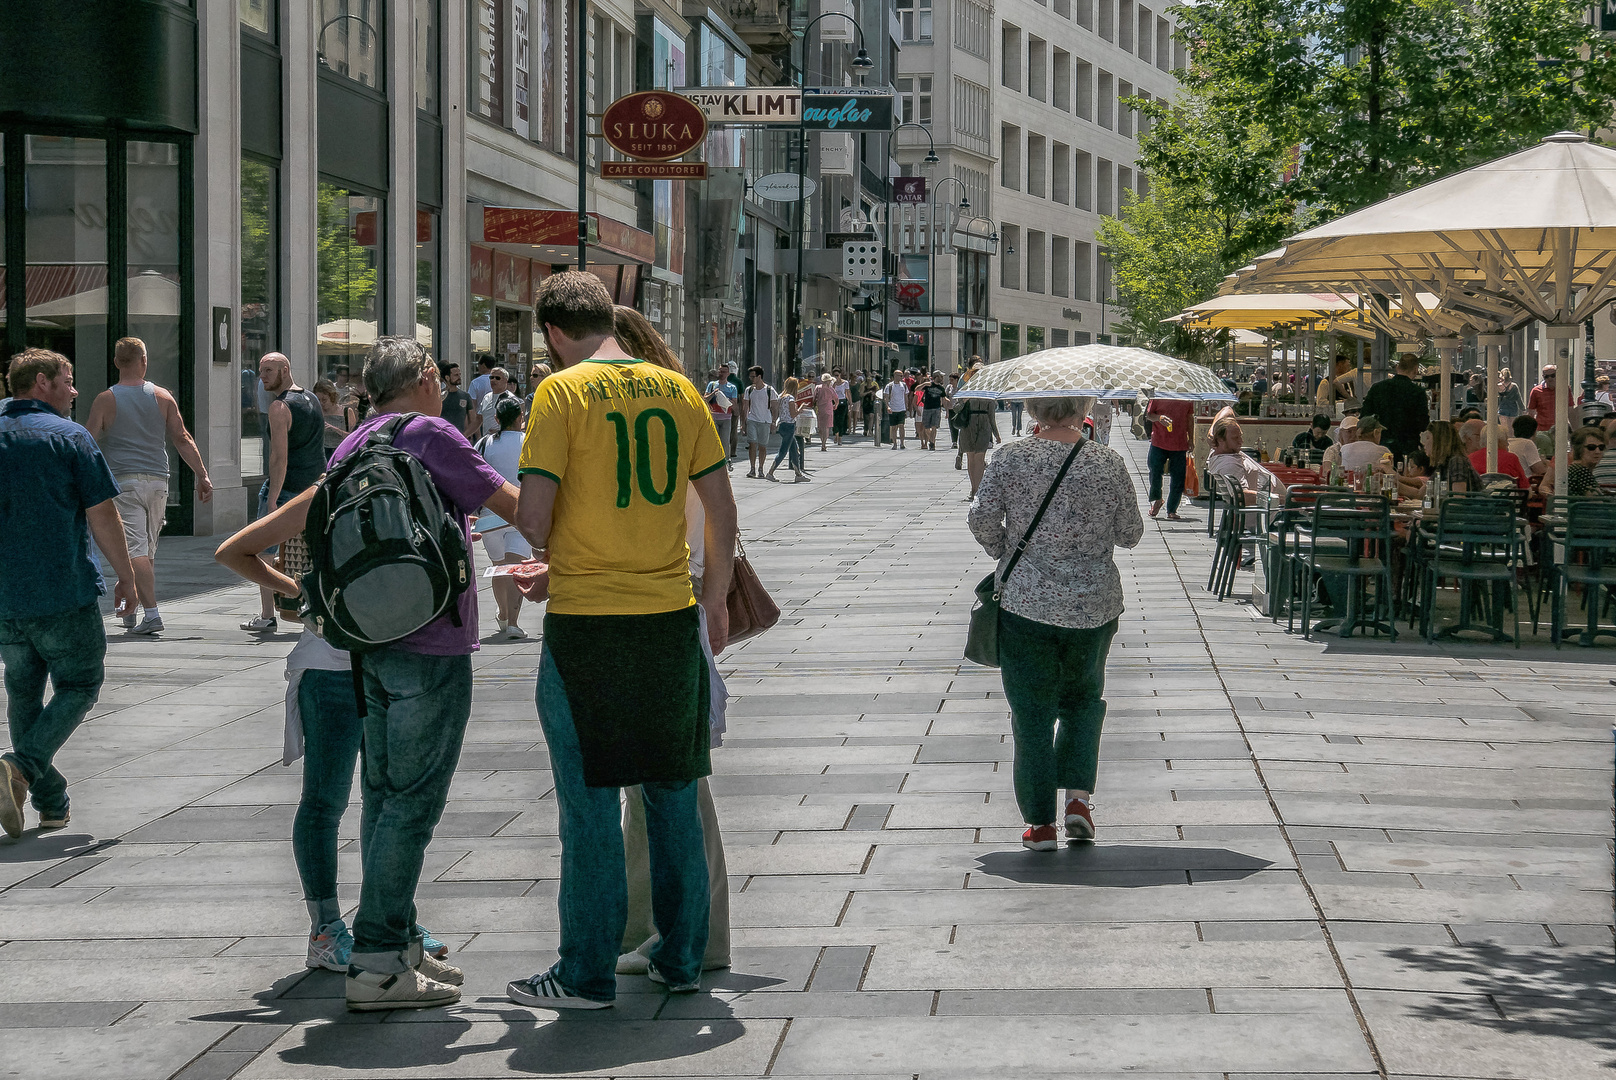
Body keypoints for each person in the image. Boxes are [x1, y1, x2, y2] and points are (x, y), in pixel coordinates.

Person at [507, 272, 737, 1009]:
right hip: (670, 615)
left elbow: (535, 519)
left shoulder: (560, 394)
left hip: (587, 624)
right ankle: (680, 957)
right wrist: (719, 599)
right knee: (670, 795)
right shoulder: (679, 390)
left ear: (553, 333)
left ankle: (585, 974)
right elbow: (723, 511)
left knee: (589, 805)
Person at [329, 336, 520, 1010]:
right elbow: (517, 508)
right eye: (439, 375)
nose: (446, 386)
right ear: (420, 378)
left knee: (384, 795)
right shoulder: (431, 434)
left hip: (372, 639)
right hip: (433, 641)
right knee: (412, 804)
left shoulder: (351, 444)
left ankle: (400, 945)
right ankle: (378, 961)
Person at [213, 491, 455, 982]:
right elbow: (233, 551)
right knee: (325, 801)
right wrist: (304, 596)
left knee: (386, 800)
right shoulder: (328, 490)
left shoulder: (410, 481)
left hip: (390, 665)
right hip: (328, 672)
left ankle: (388, 920)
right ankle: (325, 931)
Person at [608, 304, 735, 977]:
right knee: (660, 779)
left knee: (669, 780)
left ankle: (683, 933)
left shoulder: (639, 412)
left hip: (652, 600)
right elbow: (719, 508)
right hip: (675, 594)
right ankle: (655, 928)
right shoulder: (684, 404)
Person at [967, 394, 1142, 851]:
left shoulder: (1010, 457)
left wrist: (1008, 550)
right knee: (1084, 701)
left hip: (1026, 603)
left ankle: (1041, 824)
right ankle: (1078, 801)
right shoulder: (1108, 462)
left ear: (1031, 410)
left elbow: (981, 518)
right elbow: (1131, 534)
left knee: (1031, 713)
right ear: (1082, 406)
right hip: (1093, 605)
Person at [0, 349, 137, 838]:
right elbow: (103, 514)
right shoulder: (69, 437)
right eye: (69, 380)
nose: (75, 390)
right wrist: (128, 576)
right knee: (80, 684)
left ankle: (50, 802)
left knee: (23, 695)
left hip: (5, 598)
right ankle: (20, 767)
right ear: (43, 382)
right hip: (62, 589)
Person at [83, 336, 213, 635]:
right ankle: (131, 613)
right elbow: (182, 438)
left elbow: (87, 441)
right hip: (158, 481)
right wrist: (202, 475)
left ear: (116, 362)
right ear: (144, 360)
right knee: (145, 551)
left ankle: (151, 613)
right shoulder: (163, 396)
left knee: (135, 550)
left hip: (124, 482)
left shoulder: (106, 398)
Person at [243, 353, 328, 633]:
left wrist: (272, 500)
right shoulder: (312, 399)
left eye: (269, 370)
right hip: (314, 487)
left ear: (285, 370)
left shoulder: (280, 408)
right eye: (261, 370)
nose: (263, 376)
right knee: (312, 551)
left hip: (287, 488)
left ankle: (268, 615)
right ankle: (317, 605)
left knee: (260, 552)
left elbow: (279, 458)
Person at [476, 395, 534, 639]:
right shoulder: (528, 441)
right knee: (517, 568)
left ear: (497, 418)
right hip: (519, 515)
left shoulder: (485, 442)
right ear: (521, 417)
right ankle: (513, 621)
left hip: (490, 518)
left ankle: (502, 614)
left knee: (499, 568)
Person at [1360, 353, 1430, 460]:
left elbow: (1365, 416)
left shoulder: (1377, 388)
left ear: (1397, 367)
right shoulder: (1417, 392)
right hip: (1407, 445)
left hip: (1380, 442)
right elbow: (1422, 421)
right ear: (1416, 370)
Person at [1143, 392, 1194, 520]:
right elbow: (1149, 415)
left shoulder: (1186, 397)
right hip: (1158, 441)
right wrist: (1159, 418)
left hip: (1180, 442)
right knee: (1154, 471)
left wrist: (1191, 439)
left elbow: (1189, 418)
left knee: (1178, 477)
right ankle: (1157, 499)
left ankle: (1172, 509)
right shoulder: (1159, 395)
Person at [957, 364, 1002, 498]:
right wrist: (964, 401)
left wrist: (996, 434)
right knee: (971, 458)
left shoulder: (988, 391)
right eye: (975, 372)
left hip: (983, 427)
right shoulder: (965, 389)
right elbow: (956, 408)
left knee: (980, 458)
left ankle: (979, 488)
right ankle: (974, 488)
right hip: (968, 427)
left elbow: (991, 415)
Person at [1460, 418, 1528, 489]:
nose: (1508, 444)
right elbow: (1525, 489)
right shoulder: (1511, 458)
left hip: (1477, 498)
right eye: (1506, 440)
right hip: (1506, 499)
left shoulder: (1469, 458)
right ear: (1499, 441)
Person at [766, 377, 809, 482]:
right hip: (789, 425)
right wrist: (801, 408)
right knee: (783, 450)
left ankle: (798, 474)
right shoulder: (790, 398)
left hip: (782, 424)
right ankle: (770, 472)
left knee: (794, 450)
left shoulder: (780, 396)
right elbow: (793, 414)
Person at [741, 366, 779, 478]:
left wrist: (773, 422)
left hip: (765, 421)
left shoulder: (769, 390)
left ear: (759, 376)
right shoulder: (749, 390)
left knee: (762, 446)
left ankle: (761, 468)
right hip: (752, 419)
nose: (751, 379)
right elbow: (745, 407)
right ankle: (752, 468)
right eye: (750, 377)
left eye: (753, 376)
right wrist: (744, 423)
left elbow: (775, 407)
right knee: (752, 443)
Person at [1561, 426, 1608, 496]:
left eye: (1601, 447)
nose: (1597, 451)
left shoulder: (1574, 468)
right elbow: (1595, 500)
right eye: (1591, 447)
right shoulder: (1581, 471)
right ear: (1579, 449)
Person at [702, 368, 735, 463]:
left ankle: (725, 461)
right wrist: (713, 393)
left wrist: (725, 399)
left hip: (726, 418)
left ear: (728, 373)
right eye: (720, 371)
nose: (721, 374)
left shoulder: (732, 387)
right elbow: (705, 399)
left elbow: (735, 404)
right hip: (713, 416)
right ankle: (712, 461)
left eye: (724, 372)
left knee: (725, 441)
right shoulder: (712, 385)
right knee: (713, 441)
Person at [313, 379, 350, 461]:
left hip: (340, 453)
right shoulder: (316, 412)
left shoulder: (346, 412)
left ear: (332, 397)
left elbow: (352, 437)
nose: (321, 403)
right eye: (318, 400)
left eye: (324, 400)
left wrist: (334, 429)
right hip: (321, 455)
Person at [439, 362, 477, 437]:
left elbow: (473, 420)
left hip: (460, 438)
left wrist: (467, 435)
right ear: (447, 377)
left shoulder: (465, 396)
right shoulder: (439, 396)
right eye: (456, 375)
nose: (459, 377)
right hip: (442, 437)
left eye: (459, 374)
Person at [917, 372, 950, 451]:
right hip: (927, 408)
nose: (942, 378)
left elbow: (943, 399)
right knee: (926, 427)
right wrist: (924, 384)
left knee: (934, 426)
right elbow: (917, 389)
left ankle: (932, 443)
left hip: (936, 409)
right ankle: (930, 439)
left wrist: (947, 411)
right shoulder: (928, 385)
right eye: (941, 376)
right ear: (936, 377)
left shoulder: (941, 388)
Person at [477, 367, 514, 435]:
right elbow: (479, 419)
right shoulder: (486, 397)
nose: (493, 380)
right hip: (488, 440)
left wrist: (500, 432)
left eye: (497, 378)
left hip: (503, 439)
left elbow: (516, 422)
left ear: (505, 380)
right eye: (491, 377)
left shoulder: (511, 399)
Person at [884, 371, 910, 449]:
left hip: (901, 408)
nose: (901, 377)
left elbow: (906, 397)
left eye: (902, 376)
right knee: (894, 427)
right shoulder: (889, 386)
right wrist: (887, 406)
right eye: (899, 376)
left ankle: (902, 443)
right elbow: (886, 397)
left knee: (901, 426)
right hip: (893, 409)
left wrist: (907, 407)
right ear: (895, 375)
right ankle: (894, 443)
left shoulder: (904, 385)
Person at [812, 373, 837, 452]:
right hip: (829, 408)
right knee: (827, 427)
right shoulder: (831, 389)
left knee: (821, 427)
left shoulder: (818, 387)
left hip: (820, 409)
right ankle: (824, 444)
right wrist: (835, 405)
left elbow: (814, 397)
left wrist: (814, 403)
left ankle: (822, 442)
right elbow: (836, 398)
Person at [832, 369, 851, 442]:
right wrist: (834, 384)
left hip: (842, 401)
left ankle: (840, 436)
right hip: (834, 401)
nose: (836, 377)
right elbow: (832, 392)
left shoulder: (845, 382)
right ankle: (836, 433)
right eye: (835, 375)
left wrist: (850, 402)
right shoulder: (833, 383)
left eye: (837, 375)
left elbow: (847, 392)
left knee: (842, 419)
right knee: (835, 419)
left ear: (840, 375)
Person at [860, 374, 878, 438]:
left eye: (870, 380)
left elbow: (878, 395)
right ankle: (866, 429)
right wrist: (867, 392)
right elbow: (861, 394)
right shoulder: (863, 386)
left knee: (871, 416)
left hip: (872, 403)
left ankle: (870, 431)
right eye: (868, 380)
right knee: (866, 418)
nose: (869, 381)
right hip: (866, 403)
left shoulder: (874, 386)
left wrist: (874, 394)